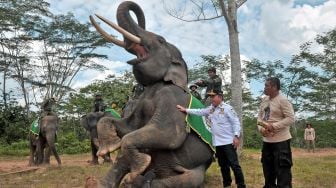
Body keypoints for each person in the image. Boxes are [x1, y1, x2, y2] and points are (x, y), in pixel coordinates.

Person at [176, 89, 246, 188]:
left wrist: (236, 136)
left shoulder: (227, 108)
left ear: (220, 97)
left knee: (234, 165)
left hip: (228, 142)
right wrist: (185, 110)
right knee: (223, 166)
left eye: (213, 96)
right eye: (210, 96)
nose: (211, 98)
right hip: (217, 143)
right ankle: (227, 184)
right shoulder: (211, 109)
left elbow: (236, 122)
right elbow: (199, 112)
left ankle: (241, 185)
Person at [257, 77, 295, 188]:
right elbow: (259, 118)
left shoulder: (283, 100)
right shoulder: (264, 100)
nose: (264, 88)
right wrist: (262, 129)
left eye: (266, 85)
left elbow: (291, 118)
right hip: (267, 141)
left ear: (274, 87)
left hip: (281, 142)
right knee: (268, 171)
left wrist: (273, 126)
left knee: (283, 172)